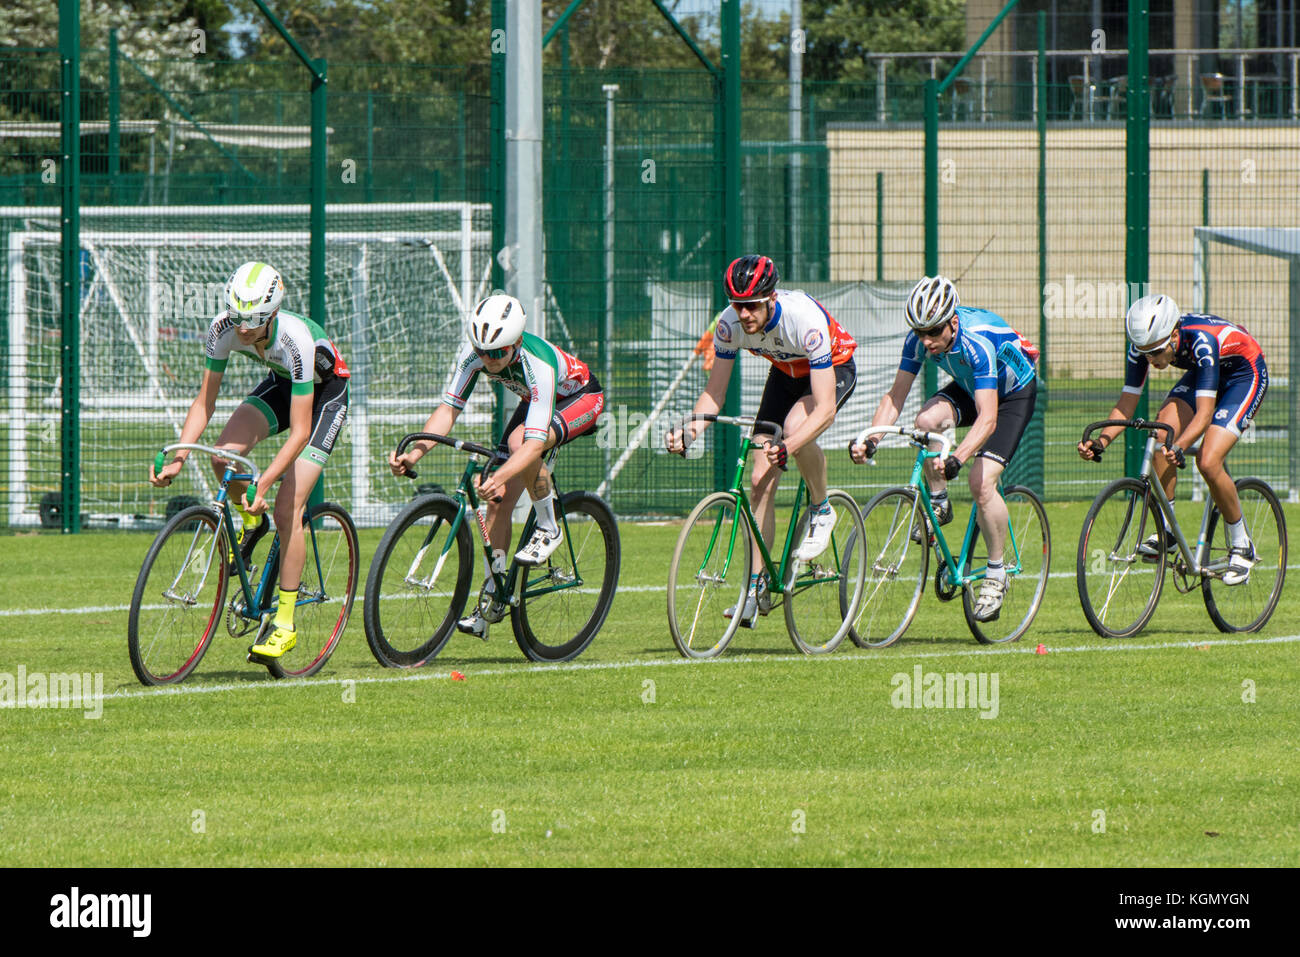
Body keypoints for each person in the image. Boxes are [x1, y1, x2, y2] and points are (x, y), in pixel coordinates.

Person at [150, 262, 350, 658]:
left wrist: (265, 481)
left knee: (288, 502)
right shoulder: (224, 328)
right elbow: (204, 402)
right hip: (282, 384)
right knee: (223, 458)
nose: (242, 329)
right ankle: (253, 524)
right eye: (237, 317)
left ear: (273, 315)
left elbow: (298, 432)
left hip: (325, 396)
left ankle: (286, 623)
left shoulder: (295, 341)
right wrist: (179, 457)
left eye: (253, 321)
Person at [389, 293, 605, 639]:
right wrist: (415, 454)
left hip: (579, 399)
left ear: (516, 343)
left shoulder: (539, 365)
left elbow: (533, 444)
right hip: (534, 402)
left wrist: (501, 472)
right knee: (498, 498)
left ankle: (549, 527)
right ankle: (493, 597)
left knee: (521, 446)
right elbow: (448, 411)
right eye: (481, 352)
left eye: (497, 353)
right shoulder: (476, 354)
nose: (488, 360)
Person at [666, 254, 857, 627]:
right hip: (785, 375)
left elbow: (825, 411)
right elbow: (714, 395)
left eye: (752, 305)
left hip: (832, 368)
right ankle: (757, 586)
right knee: (758, 480)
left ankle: (822, 508)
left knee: (795, 426)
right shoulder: (728, 325)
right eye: (738, 305)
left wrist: (791, 445)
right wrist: (688, 430)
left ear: (771, 298)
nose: (745, 314)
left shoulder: (804, 320)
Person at [849, 274, 1039, 622]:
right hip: (973, 385)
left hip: (1013, 395)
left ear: (952, 323)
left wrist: (957, 459)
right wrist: (871, 438)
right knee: (925, 423)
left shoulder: (977, 343)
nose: (926, 340)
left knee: (981, 482)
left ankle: (996, 574)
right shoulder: (920, 340)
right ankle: (939, 504)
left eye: (933, 332)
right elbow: (896, 396)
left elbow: (988, 419)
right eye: (920, 332)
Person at [1077, 294, 1267, 585]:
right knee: (1161, 433)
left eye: (1156, 352)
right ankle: (1168, 530)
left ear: (1175, 334)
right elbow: (1127, 402)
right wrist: (1101, 442)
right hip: (1204, 372)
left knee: (1208, 460)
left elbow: (1203, 415)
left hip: (1244, 373)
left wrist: (1179, 446)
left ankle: (1242, 545)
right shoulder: (1143, 348)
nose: (1151, 360)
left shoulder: (1201, 341)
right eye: (1145, 353)